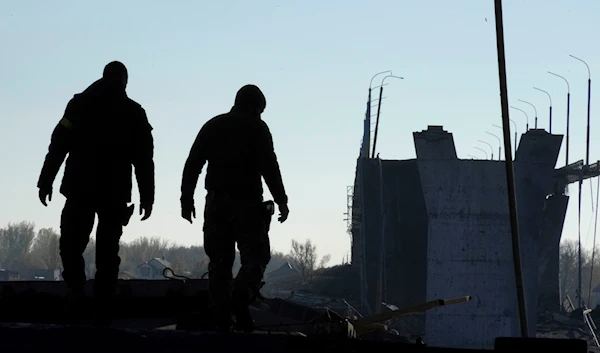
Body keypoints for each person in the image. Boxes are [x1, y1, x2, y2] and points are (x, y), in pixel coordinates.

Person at [37, 61, 155, 325]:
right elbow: (144, 159)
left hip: (80, 187)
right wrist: (147, 195)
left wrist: (46, 180)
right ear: (124, 80)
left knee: (71, 245)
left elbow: (59, 144)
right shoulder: (133, 112)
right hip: (114, 192)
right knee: (107, 249)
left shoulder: (79, 105)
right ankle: (103, 302)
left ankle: (76, 295)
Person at [180, 84, 289, 332]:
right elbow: (269, 166)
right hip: (248, 205)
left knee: (219, 263)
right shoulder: (257, 128)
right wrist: (281, 199)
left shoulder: (213, 125)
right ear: (256, 107)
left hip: (216, 204)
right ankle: (241, 295)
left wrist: (186, 199)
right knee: (256, 258)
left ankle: (221, 318)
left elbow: (193, 163)